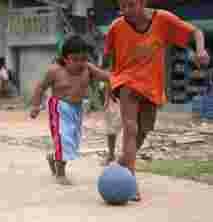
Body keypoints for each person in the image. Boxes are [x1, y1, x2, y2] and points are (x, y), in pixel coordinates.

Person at [104, 0, 210, 201]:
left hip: (152, 86)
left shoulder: (162, 19)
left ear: (143, 2)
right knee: (130, 127)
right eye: (122, 6)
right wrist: (111, 83)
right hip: (126, 80)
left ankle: (122, 164)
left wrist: (200, 50)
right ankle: (130, 181)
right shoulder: (116, 27)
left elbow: (196, 32)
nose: (126, 11)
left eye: (131, 5)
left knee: (144, 130)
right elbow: (111, 57)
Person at [30, 35, 110, 185]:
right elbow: (40, 87)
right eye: (75, 59)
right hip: (59, 107)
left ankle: (54, 157)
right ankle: (60, 174)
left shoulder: (88, 68)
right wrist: (35, 105)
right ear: (65, 58)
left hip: (77, 109)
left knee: (73, 141)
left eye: (83, 59)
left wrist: (121, 79)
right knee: (64, 138)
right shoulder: (55, 71)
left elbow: (104, 76)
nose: (80, 63)